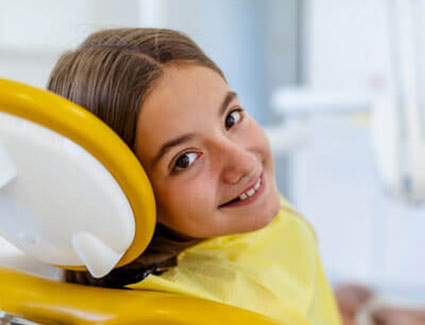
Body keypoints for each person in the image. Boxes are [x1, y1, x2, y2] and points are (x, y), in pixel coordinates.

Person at [47, 28, 342, 324]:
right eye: (185, 160)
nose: (244, 161)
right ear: (119, 199)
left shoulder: (241, 212)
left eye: (231, 118)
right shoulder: (188, 314)